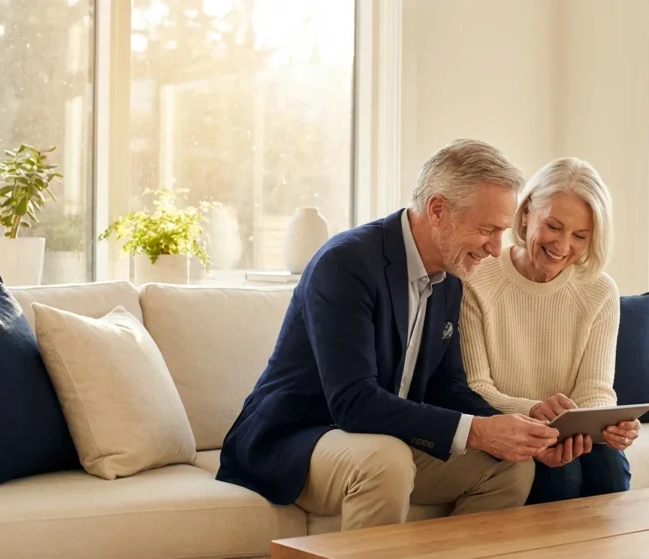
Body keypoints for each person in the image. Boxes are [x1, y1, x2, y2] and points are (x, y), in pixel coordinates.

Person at [217, 139, 570, 531]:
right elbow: (352, 402)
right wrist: (479, 431)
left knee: (511, 470)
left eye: (502, 232)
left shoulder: (451, 278)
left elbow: (446, 386)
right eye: (487, 230)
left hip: (384, 438)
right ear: (438, 209)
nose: (495, 248)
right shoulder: (346, 264)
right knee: (386, 460)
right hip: (300, 437)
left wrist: (520, 433)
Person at [459, 157, 641, 505]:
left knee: (608, 461)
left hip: (568, 432)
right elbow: (476, 388)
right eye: (554, 227)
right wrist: (536, 411)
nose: (562, 246)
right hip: (508, 427)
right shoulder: (478, 278)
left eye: (580, 236)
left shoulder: (600, 291)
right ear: (526, 212)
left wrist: (609, 425)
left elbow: (595, 389)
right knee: (562, 472)